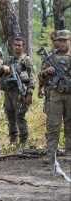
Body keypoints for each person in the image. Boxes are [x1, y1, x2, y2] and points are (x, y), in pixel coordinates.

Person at [0, 37, 35, 145]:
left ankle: (23, 142)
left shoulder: (26, 60)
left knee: (20, 116)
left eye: (19, 45)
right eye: (15, 45)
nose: (17, 47)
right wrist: (3, 68)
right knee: (10, 116)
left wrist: (30, 94)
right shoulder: (9, 60)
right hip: (9, 93)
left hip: (20, 93)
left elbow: (32, 77)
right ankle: (13, 141)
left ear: (23, 46)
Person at [40, 30, 71, 162]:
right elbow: (40, 77)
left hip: (70, 95)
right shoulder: (51, 57)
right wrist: (45, 72)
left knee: (70, 124)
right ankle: (50, 154)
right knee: (53, 124)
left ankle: (69, 152)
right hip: (55, 94)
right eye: (60, 40)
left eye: (65, 40)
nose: (62, 43)